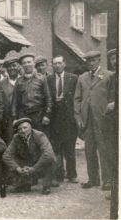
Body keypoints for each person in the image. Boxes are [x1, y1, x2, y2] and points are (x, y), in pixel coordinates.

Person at [74, 50, 114, 190]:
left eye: (93, 60)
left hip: (102, 119)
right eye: (88, 61)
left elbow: (113, 96)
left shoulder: (109, 75)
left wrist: (111, 105)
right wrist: (78, 117)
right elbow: (77, 99)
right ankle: (93, 179)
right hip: (87, 120)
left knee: (104, 149)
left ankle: (107, 180)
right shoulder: (82, 77)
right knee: (89, 149)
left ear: (99, 60)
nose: (90, 63)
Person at [47, 55, 78, 185]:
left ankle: (72, 174)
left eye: (60, 63)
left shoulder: (73, 78)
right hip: (54, 119)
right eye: (55, 63)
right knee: (56, 148)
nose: (57, 65)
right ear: (52, 65)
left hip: (69, 118)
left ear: (64, 64)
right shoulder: (48, 79)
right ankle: (59, 173)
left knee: (69, 147)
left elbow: (77, 98)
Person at [3, 118, 56, 195]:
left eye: (25, 128)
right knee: (15, 160)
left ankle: (46, 185)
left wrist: (34, 168)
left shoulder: (39, 135)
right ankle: (24, 185)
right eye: (20, 129)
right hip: (27, 164)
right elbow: (6, 155)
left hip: (39, 163)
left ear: (31, 127)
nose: (23, 131)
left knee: (51, 159)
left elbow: (48, 154)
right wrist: (18, 168)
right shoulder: (16, 137)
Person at [11, 53, 52, 136]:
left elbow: (48, 98)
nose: (27, 64)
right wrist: (14, 118)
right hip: (24, 115)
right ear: (22, 65)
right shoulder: (19, 81)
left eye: (29, 62)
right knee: (25, 138)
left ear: (34, 63)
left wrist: (47, 115)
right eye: (24, 63)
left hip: (39, 115)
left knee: (40, 138)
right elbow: (14, 101)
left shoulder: (42, 78)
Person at [104, 48, 118, 219]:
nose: (115, 60)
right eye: (113, 58)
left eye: (117, 57)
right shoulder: (112, 78)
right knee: (113, 158)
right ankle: (115, 192)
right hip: (113, 122)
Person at [0, 57, 19, 144]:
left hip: (22, 116)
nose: (12, 68)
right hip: (8, 119)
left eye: (14, 65)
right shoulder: (1, 83)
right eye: (9, 67)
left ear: (18, 66)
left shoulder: (23, 80)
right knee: (10, 142)